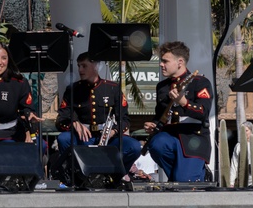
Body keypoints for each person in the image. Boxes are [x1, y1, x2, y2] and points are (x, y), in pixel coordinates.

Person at [54, 51, 143, 177]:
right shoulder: (73, 90)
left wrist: (114, 131)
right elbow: (60, 120)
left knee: (134, 147)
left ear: (95, 66)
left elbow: (124, 119)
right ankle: (78, 176)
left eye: (84, 66)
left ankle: (115, 176)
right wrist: (73, 123)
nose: (80, 69)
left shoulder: (112, 88)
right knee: (64, 139)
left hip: (108, 138)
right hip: (84, 139)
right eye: (79, 66)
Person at [144, 40, 213, 182]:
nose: (161, 64)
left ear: (180, 62)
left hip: (194, 138)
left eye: (165, 61)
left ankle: (196, 175)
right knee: (157, 144)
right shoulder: (162, 87)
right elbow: (160, 115)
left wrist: (184, 103)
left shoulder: (200, 82)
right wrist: (153, 124)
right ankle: (182, 177)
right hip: (169, 138)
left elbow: (204, 112)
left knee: (183, 182)